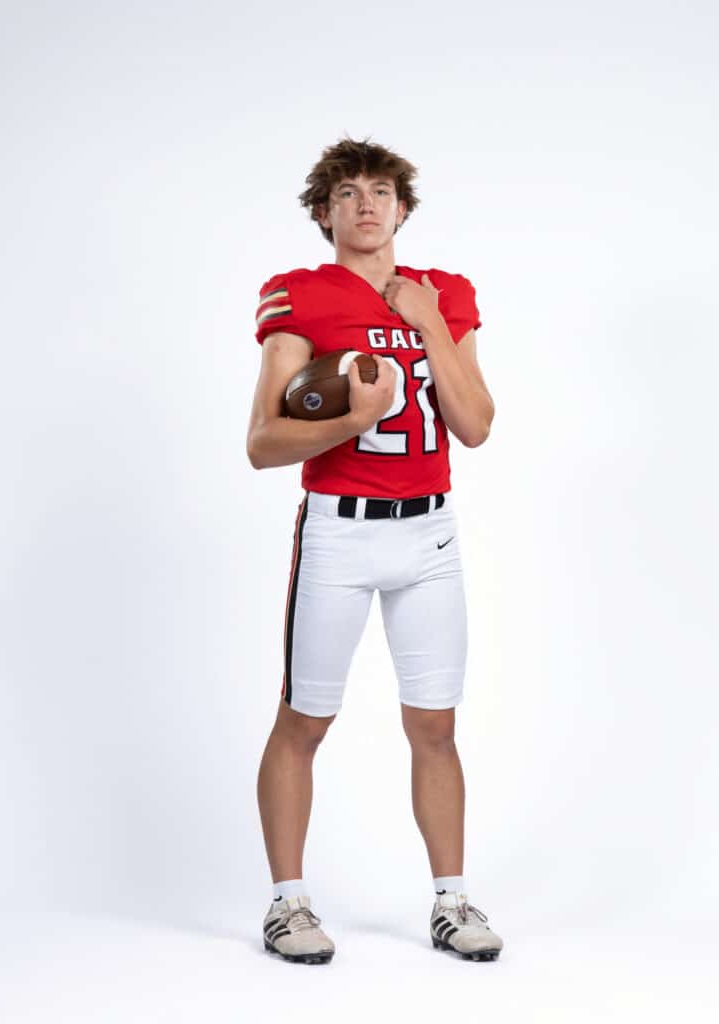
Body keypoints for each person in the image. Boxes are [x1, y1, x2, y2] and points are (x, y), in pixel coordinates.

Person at [247, 136, 501, 964]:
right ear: (323, 213)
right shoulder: (300, 297)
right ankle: (287, 905)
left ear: (402, 208)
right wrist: (351, 423)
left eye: (382, 191)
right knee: (305, 721)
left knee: (435, 724)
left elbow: (475, 425)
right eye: (348, 192)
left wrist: (425, 320)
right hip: (340, 531)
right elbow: (262, 441)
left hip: (429, 535)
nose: (367, 204)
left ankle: (451, 902)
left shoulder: (446, 294)